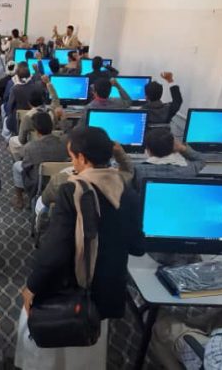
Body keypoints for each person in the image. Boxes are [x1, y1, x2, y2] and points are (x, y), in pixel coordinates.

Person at [15, 126, 145, 370]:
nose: (72, 162)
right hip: (107, 289)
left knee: (42, 332)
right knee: (89, 342)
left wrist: (32, 286)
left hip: (69, 286)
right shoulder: (128, 192)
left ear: (82, 158)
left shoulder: (72, 190)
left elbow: (56, 249)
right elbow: (138, 246)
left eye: (72, 157)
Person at [12, 112, 69, 209]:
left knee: (16, 165)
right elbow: (69, 133)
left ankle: (19, 199)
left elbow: (25, 166)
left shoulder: (30, 147)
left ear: (36, 131)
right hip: (60, 181)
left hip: (38, 182)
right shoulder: (64, 143)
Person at [133, 128, 205, 190]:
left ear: (148, 150)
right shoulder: (188, 170)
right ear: (173, 147)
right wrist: (182, 148)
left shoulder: (138, 171)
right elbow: (201, 159)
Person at [8, 84, 63, 160]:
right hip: (52, 140)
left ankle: (20, 161)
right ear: (43, 100)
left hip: (34, 143)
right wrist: (48, 83)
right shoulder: (52, 110)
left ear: (29, 103)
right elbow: (56, 100)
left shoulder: (28, 117)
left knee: (12, 141)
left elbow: (22, 140)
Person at [5, 62, 40, 134]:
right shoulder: (36, 87)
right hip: (34, 121)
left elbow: (9, 107)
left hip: (17, 122)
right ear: (29, 75)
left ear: (17, 76)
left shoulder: (15, 89)